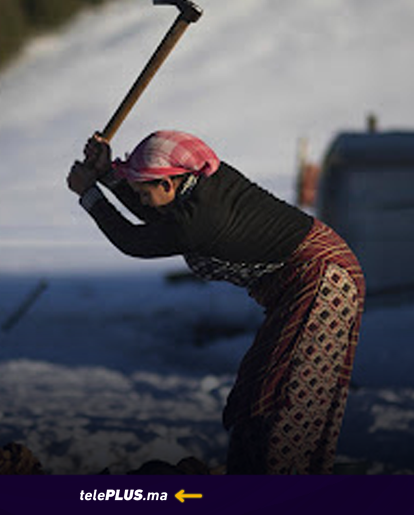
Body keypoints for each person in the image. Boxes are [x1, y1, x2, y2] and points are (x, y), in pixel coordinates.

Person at [67, 130, 365, 475]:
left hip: (325, 281)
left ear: (168, 183)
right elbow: (159, 215)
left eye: (143, 193)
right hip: (302, 284)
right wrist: (105, 174)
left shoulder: (202, 219)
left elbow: (136, 239)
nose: (142, 201)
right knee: (259, 385)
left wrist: (90, 194)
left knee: (288, 388)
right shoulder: (197, 184)